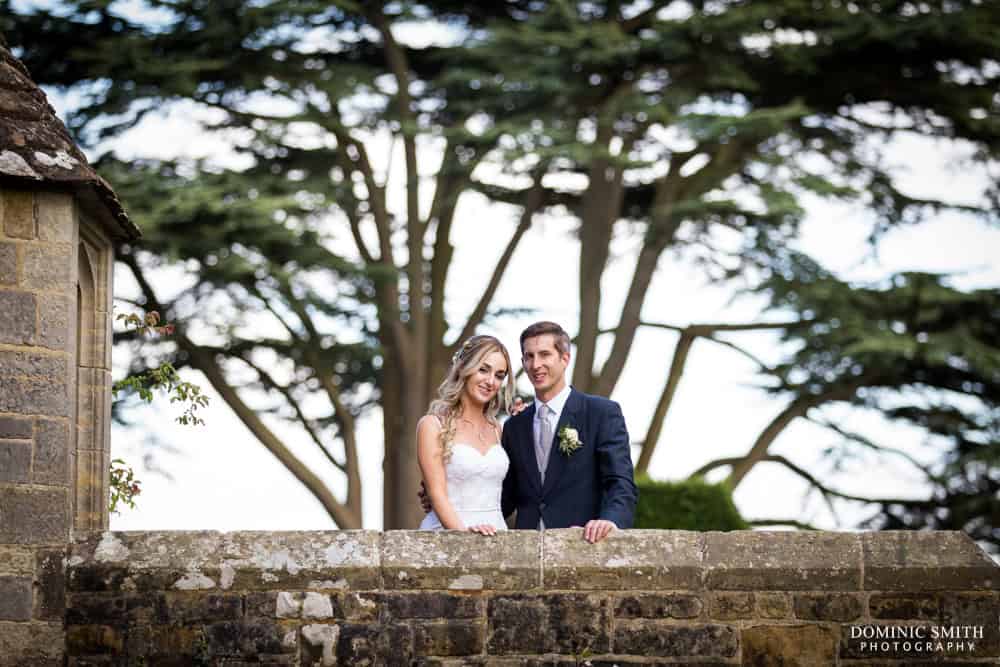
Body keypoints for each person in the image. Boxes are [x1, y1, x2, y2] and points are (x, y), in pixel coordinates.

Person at [420, 321, 637, 543]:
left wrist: (611, 521)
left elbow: (620, 483)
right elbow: (504, 494)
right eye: (529, 356)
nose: (536, 364)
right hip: (524, 551)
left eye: (545, 354)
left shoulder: (601, 413)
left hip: (582, 544)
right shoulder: (515, 426)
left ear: (565, 359)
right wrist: (447, 495)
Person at [417, 335, 515, 535]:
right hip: (450, 536)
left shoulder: (498, 429)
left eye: (499, 375)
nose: (490, 381)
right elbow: (436, 494)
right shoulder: (432, 425)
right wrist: (466, 538)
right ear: (463, 368)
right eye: (483, 369)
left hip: (496, 535)